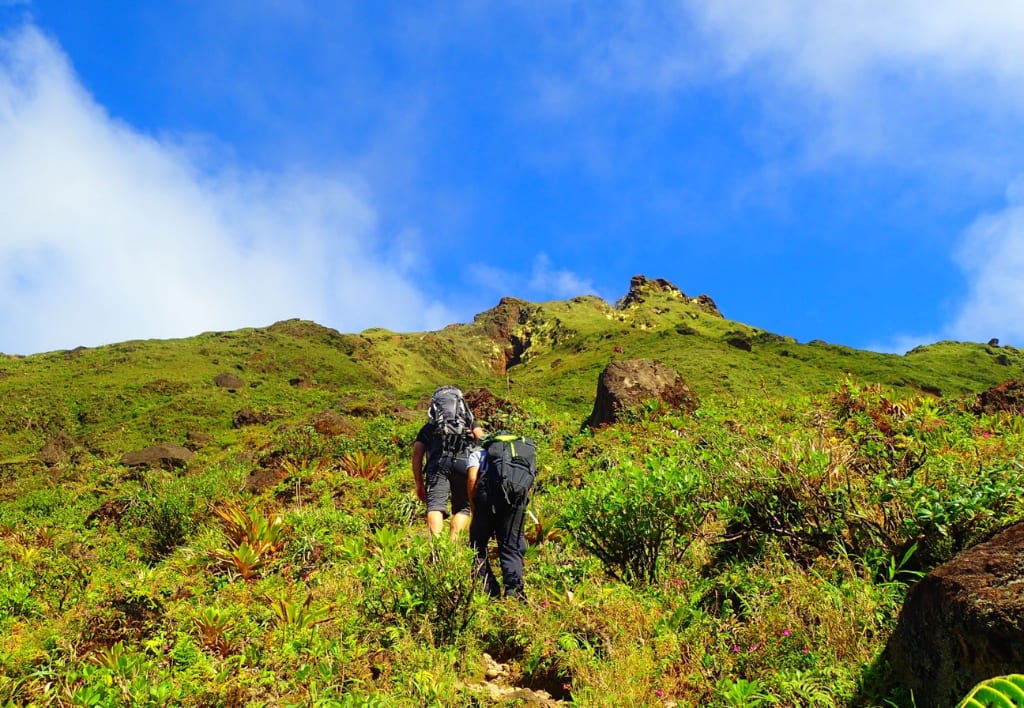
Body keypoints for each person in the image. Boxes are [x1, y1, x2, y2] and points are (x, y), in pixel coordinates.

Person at [411, 386, 484, 538]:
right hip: (464, 465)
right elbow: (482, 441)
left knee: (435, 507)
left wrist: (419, 482)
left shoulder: (429, 427)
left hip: (437, 466)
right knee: (463, 508)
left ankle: (437, 548)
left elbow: (417, 454)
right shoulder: (469, 424)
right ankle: (453, 546)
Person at [466, 441, 529, 600]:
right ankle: (515, 594)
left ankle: (489, 590)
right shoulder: (518, 456)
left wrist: (475, 508)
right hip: (515, 500)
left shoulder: (478, 454)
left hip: (487, 499)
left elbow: (472, 479)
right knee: (511, 547)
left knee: (477, 545)